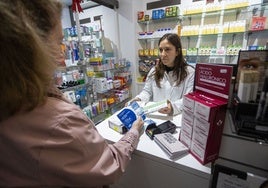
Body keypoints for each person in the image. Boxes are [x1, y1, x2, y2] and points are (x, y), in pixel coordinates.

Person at [0, 0, 144, 187]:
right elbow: (110, 166)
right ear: (32, 47)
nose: (62, 57)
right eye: (58, 42)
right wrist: (133, 132)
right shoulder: (61, 121)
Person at [128, 33, 195, 115]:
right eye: (161, 50)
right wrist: (138, 99)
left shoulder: (189, 72)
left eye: (167, 49)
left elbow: (188, 99)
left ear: (177, 51)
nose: (163, 54)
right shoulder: (154, 71)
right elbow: (147, 92)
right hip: (157, 116)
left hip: (176, 117)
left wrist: (172, 107)